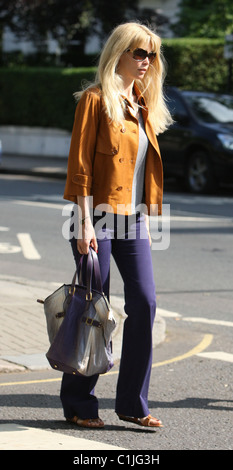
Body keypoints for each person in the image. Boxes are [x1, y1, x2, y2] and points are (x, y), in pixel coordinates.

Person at [60, 21, 173, 429]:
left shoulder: (143, 103)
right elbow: (82, 168)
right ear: (119, 53)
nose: (146, 61)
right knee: (95, 306)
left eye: (152, 54)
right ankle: (78, 402)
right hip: (97, 218)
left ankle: (132, 403)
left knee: (144, 302)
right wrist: (84, 222)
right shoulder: (94, 100)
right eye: (139, 53)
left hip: (133, 218)